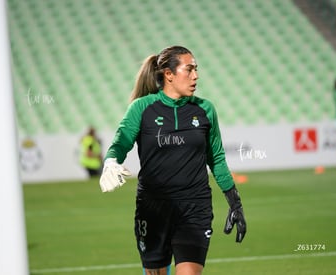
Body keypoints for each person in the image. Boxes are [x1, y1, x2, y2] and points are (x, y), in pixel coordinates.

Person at [99, 46, 246, 275]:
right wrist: (110, 162)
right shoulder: (142, 108)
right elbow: (120, 143)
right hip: (153, 209)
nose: (195, 76)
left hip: (194, 208)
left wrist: (234, 202)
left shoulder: (205, 109)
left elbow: (216, 158)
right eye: (189, 70)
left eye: (196, 69)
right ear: (169, 74)